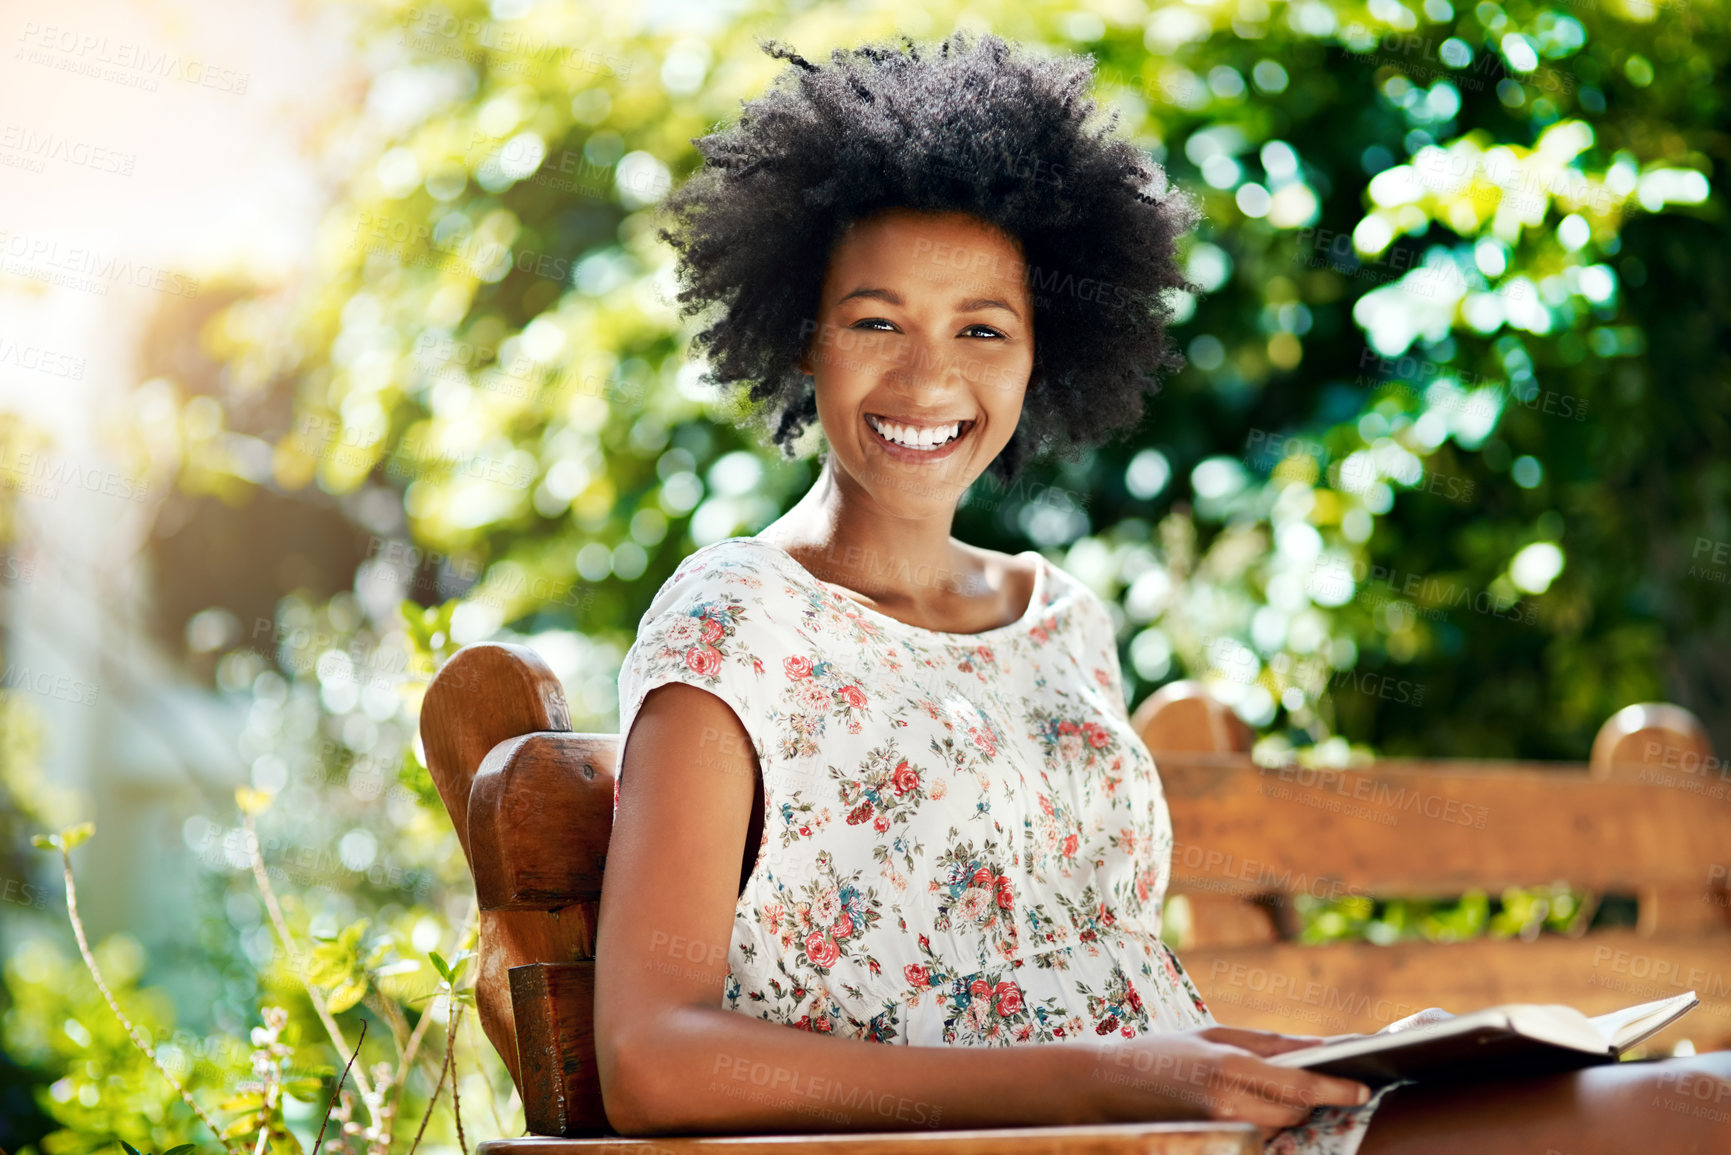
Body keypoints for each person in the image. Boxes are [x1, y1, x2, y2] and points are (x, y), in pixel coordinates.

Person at [592, 31, 1731, 1155]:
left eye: (983, 329)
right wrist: (1106, 1085)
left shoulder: (1062, 623)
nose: (929, 377)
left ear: (1044, 353)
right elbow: (651, 1059)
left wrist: (1344, 1057)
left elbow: (1114, 996)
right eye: (875, 321)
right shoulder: (738, 624)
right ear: (802, 337)